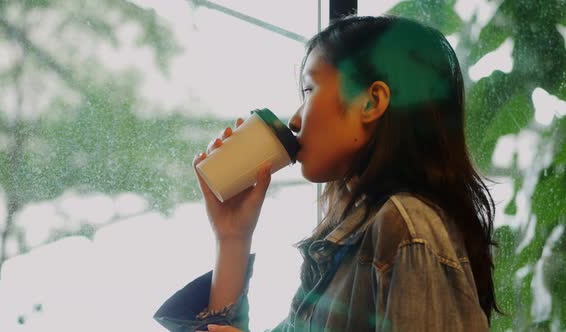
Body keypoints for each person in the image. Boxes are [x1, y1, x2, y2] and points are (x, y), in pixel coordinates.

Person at [153, 15, 501, 331]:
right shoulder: (343, 252)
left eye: (309, 90)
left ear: (370, 102)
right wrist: (232, 237)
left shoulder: (407, 227)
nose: (294, 119)